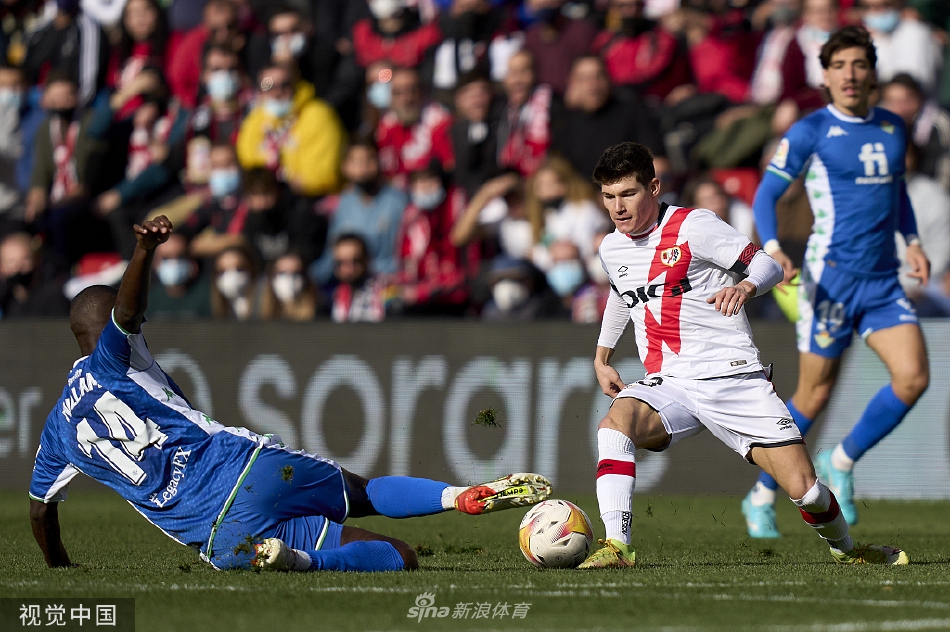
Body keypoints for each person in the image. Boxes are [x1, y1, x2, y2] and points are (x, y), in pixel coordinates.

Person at [28, 216, 553, 572]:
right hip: (245, 470)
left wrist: (60, 568)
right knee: (371, 507)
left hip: (218, 537)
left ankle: (296, 560)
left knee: (391, 554)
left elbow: (40, 513)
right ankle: (454, 497)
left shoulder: (56, 431)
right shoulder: (116, 352)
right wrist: (143, 250)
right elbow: (125, 312)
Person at [579, 141, 908, 568]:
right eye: (608, 196)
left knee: (805, 489)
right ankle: (618, 547)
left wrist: (745, 286)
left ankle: (847, 549)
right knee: (614, 427)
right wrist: (602, 356)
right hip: (672, 382)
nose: (617, 207)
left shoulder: (695, 225)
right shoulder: (612, 247)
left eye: (627, 193)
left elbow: (769, 265)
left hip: (733, 378)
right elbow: (622, 296)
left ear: (654, 187)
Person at [742, 26, 930, 538]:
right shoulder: (810, 131)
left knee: (913, 377)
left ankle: (841, 460)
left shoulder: (892, 127)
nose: (850, 74)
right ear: (825, 76)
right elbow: (766, 196)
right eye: (839, 65)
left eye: (859, 64)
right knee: (812, 396)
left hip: (882, 283)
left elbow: (897, 194)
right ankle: (760, 492)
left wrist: (911, 240)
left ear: (872, 73)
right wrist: (776, 248)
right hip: (830, 284)